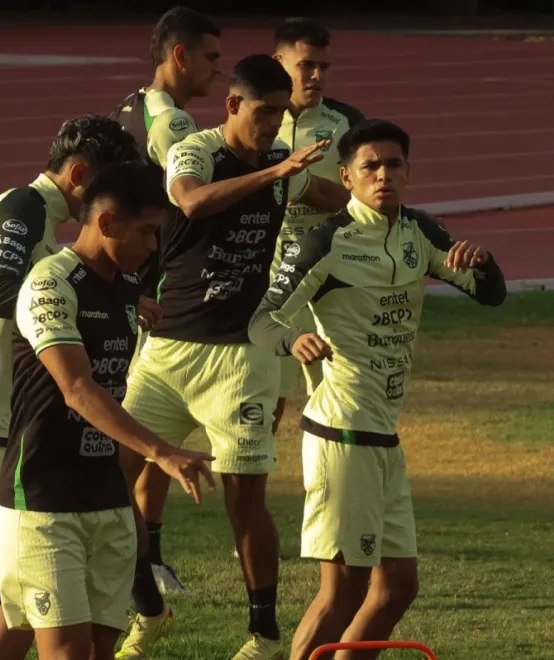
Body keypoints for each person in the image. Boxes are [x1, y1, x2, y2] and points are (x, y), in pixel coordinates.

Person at [116, 54, 350, 660]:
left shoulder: (283, 165)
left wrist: (367, 197)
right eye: (263, 111)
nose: (273, 123)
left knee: (244, 500)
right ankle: (148, 608)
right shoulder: (196, 151)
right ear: (232, 105)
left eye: (280, 112)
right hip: (166, 354)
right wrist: (276, 174)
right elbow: (191, 201)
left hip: (242, 358)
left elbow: (329, 196)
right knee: (109, 484)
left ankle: (264, 636)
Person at [247, 118, 507, 660]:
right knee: (343, 589)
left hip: (384, 435)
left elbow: (489, 294)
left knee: (397, 587)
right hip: (341, 433)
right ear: (346, 176)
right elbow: (262, 320)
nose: (383, 174)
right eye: (370, 166)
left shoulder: (420, 232)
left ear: (408, 171)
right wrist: (294, 339)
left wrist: (483, 265)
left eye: (394, 164)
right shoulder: (325, 241)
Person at [0, 114, 146, 660]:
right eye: (111, 187)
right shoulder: (23, 206)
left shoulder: (38, 218)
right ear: (80, 175)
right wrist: (72, 304)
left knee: (11, 596)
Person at [0, 159, 216, 660]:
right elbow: (77, 388)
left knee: (99, 649)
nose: (153, 246)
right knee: (66, 652)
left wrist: (123, 500)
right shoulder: (50, 284)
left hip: (106, 498)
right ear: (106, 222)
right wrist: (161, 452)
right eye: (146, 231)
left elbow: (111, 393)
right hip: (43, 501)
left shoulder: (124, 289)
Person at [108, 3, 222, 599]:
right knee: (139, 431)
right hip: (145, 293)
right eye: (210, 56)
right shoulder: (172, 122)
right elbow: (191, 203)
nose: (217, 69)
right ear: (180, 55)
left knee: (146, 431)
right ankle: (137, 565)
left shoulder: (130, 107)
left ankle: (145, 558)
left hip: (127, 286)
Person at [270, 19, 364, 433]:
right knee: (265, 401)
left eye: (323, 67)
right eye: (306, 65)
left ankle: (335, 472)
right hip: (273, 282)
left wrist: (307, 188)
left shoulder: (346, 121)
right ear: (278, 62)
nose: (316, 76)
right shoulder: (255, 118)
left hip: (331, 278)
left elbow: (369, 200)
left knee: (336, 400)